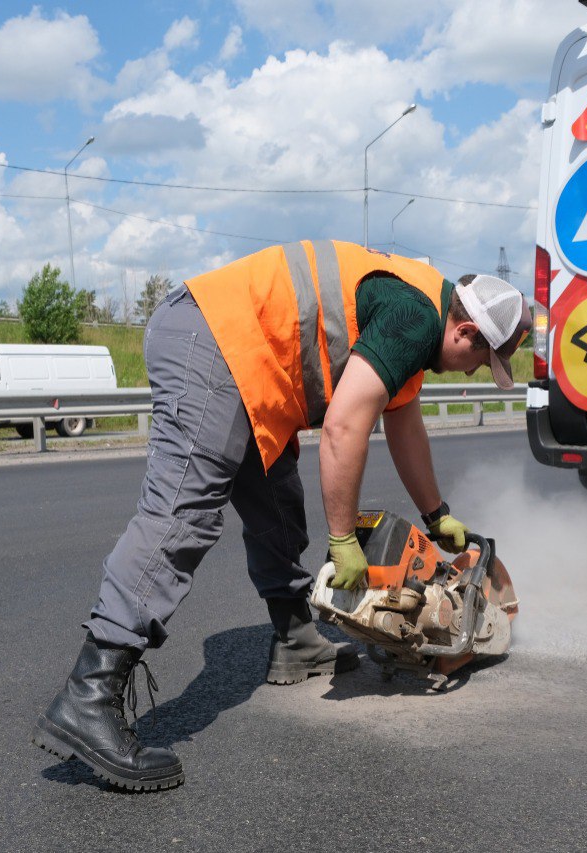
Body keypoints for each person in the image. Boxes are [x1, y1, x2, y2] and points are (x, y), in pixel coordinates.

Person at [30, 240, 531, 791]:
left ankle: (295, 637)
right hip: (214, 341)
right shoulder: (414, 319)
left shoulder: (421, 312)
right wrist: (343, 541)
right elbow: (344, 426)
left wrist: (437, 515)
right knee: (181, 516)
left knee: (278, 503)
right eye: (484, 359)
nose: (478, 371)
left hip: (248, 363)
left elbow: (404, 423)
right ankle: (89, 694)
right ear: (465, 332)